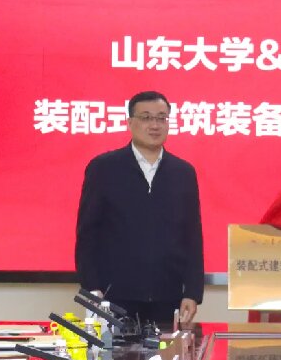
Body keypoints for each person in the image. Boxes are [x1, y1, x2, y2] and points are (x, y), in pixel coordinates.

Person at [75, 91, 204, 324]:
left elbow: (192, 236)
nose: (154, 125)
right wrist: (91, 288)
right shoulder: (104, 168)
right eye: (146, 117)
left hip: (168, 296)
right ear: (130, 122)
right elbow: (88, 233)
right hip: (113, 297)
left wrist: (193, 292)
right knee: (114, 349)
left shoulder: (183, 172)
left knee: (165, 349)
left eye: (161, 118)